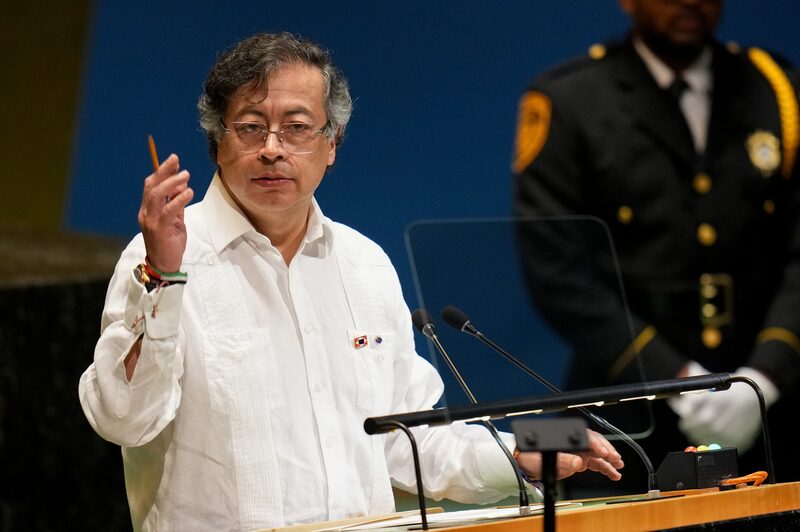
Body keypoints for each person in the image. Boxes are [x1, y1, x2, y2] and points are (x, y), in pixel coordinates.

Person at [78, 32, 624, 531]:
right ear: (218, 141)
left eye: (296, 128)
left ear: (332, 143)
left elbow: (418, 439)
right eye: (250, 127)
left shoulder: (364, 265)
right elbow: (123, 419)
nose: (272, 147)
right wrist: (164, 277)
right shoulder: (161, 256)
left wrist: (553, 438)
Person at [512, 0, 800, 493]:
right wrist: (679, 379)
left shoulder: (777, 88)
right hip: (625, 403)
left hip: (770, 395)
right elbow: (556, 269)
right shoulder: (568, 97)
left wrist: (768, 376)